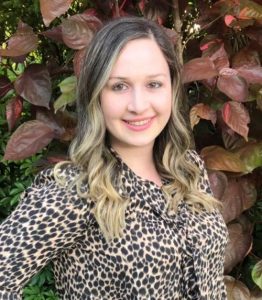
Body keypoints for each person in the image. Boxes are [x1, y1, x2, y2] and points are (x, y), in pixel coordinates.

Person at [0, 16, 228, 299]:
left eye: (154, 84)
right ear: (96, 94)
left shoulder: (188, 170)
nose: (138, 105)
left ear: (171, 88)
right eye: (119, 86)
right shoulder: (74, 191)